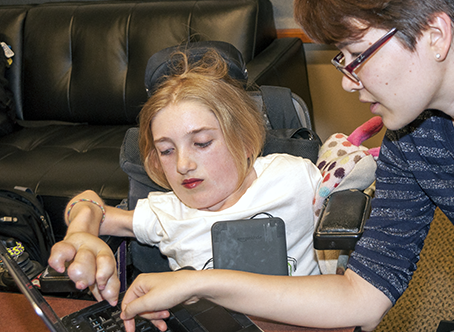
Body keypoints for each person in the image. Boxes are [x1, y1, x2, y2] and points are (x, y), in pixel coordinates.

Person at [115, 1, 454, 331]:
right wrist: (195, 283)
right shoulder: (413, 134)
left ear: (434, 34)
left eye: (354, 57)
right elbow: (364, 293)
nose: (344, 80)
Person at [48, 48, 323, 305]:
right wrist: (80, 231)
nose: (182, 164)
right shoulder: (167, 213)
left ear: (245, 142)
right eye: (166, 150)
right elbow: (88, 203)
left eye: (202, 143)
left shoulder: (293, 177)